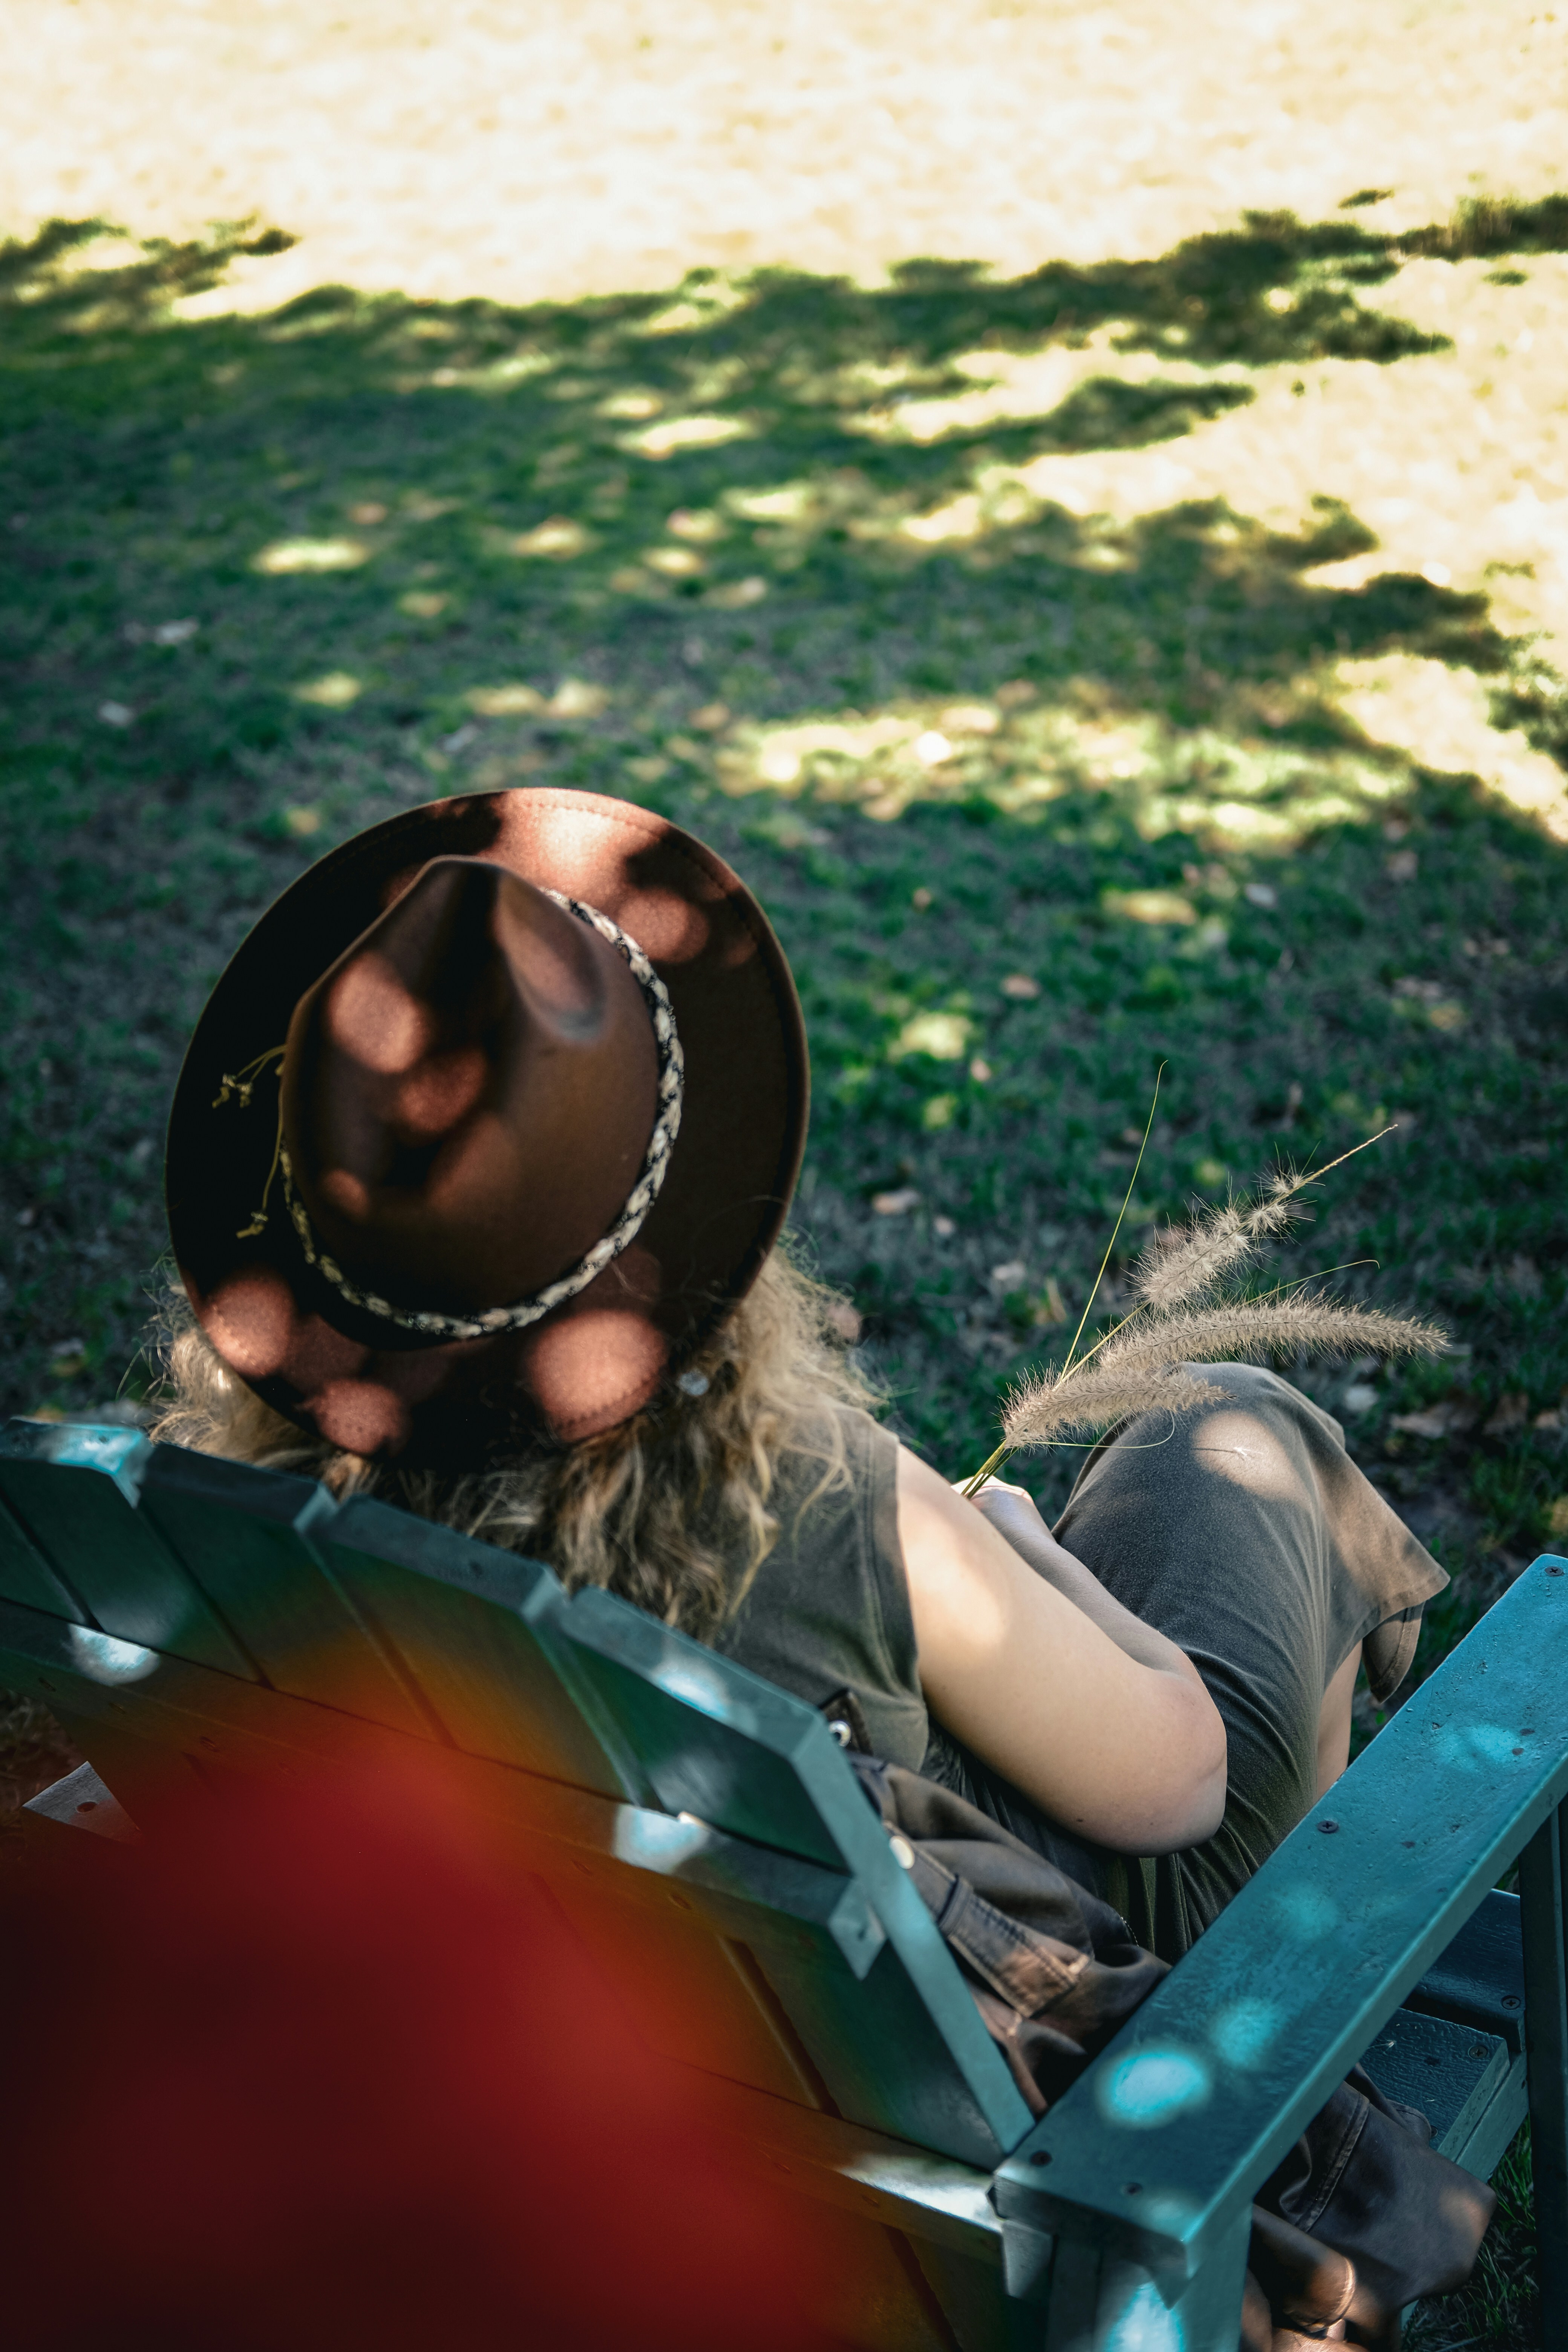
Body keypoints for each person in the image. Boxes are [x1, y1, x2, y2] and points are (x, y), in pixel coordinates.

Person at [154, 785, 1446, 1964]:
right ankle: (1304, 2031)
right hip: (1017, 2038)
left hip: (603, 2002)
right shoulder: (815, 1501)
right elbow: (1183, 1784)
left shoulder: (266, 1532)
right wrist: (1020, 1544)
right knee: (1236, 1421)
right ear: (678, 1213)